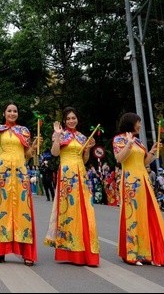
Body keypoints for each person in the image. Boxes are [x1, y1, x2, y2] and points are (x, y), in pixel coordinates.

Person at [113, 112, 164, 267]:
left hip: (143, 179)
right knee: (133, 215)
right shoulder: (119, 139)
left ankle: (149, 251)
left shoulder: (139, 142)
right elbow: (120, 159)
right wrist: (127, 144)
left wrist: (153, 151)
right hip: (130, 181)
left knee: (147, 214)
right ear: (130, 123)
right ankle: (132, 253)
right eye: (138, 122)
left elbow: (145, 161)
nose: (140, 125)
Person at [0, 101, 39, 266]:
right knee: (2, 210)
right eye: (9, 111)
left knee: (23, 211)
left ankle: (26, 252)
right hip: (3, 173)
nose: (12, 113)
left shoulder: (24, 131)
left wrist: (33, 147)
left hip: (20, 173)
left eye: (15, 111)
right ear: (4, 113)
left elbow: (26, 155)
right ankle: (0, 251)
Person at [44, 107, 99, 266]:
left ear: (77, 119)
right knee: (69, 211)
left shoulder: (82, 137)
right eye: (68, 118)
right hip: (67, 175)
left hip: (81, 175)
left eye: (73, 118)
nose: (71, 121)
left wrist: (88, 149)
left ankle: (86, 250)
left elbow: (85, 159)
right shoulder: (61, 134)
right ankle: (70, 250)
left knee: (85, 210)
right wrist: (57, 136)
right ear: (64, 121)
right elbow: (55, 153)